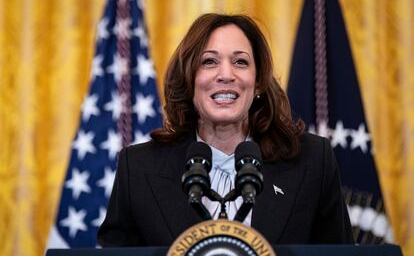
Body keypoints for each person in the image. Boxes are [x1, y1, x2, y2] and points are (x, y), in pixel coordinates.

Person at [97, 13, 354, 246]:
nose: (226, 74)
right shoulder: (139, 169)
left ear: (259, 83)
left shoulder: (313, 160)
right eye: (209, 61)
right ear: (189, 80)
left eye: (240, 62)